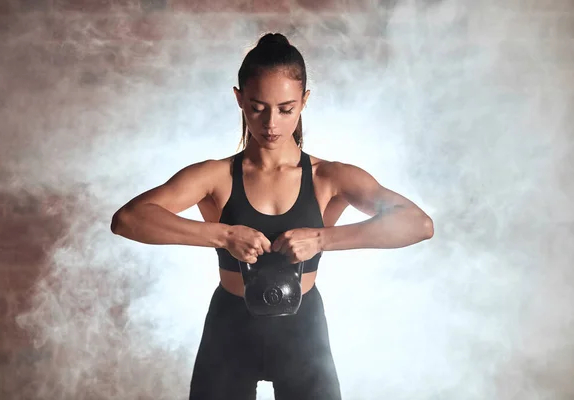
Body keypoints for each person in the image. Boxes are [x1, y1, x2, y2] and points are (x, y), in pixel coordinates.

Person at [111, 32, 434, 400]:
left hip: (303, 331)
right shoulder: (215, 176)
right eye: (257, 107)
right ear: (239, 100)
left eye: (286, 109)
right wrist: (223, 235)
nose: (271, 123)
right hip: (231, 328)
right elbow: (128, 220)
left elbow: (418, 224)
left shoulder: (329, 178)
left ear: (304, 102)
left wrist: (323, 239)